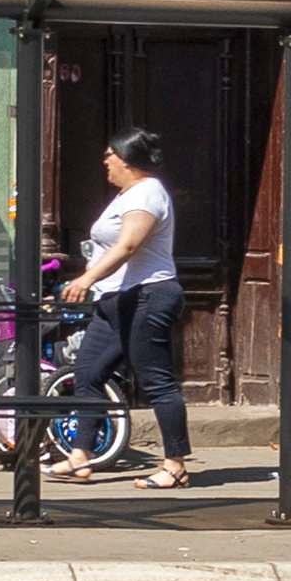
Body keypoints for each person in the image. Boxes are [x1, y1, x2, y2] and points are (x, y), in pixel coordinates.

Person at [48, 124, 194, 490]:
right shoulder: (127, 194)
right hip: (116, 300)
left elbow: (128, 246)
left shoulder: (147, 193)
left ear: (127, 160)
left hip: (147, 296)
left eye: (110, 155)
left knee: (157, 381)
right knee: (88, 372)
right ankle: (80, 456)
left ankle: (175, 465)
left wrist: (85, 280)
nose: (105, 161)